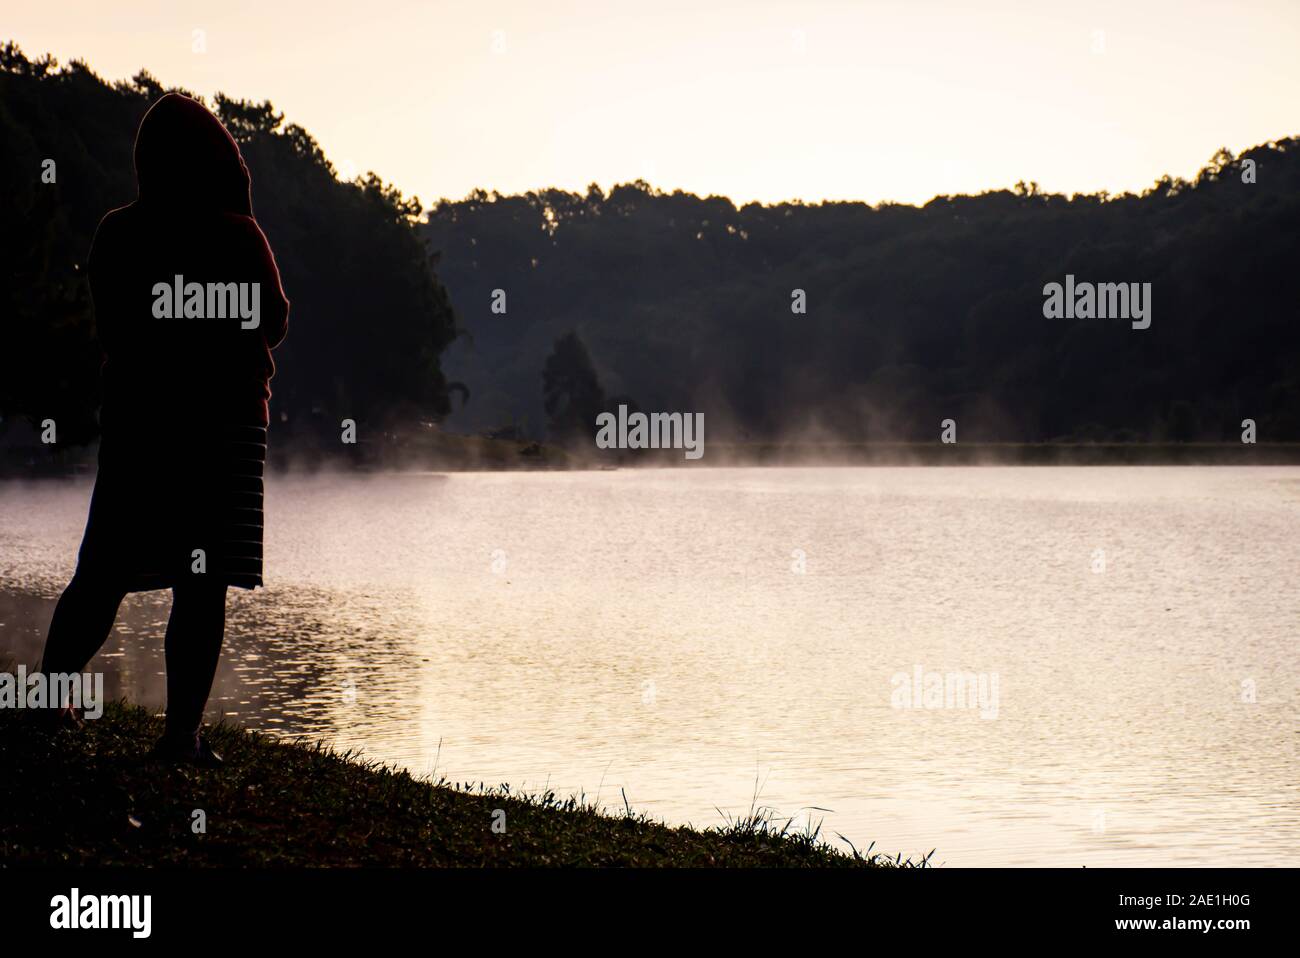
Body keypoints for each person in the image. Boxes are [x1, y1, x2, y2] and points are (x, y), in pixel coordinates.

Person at [37, 93, 289, 765]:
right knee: (201, 586)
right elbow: (275, 322)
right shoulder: (239, 235)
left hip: (140, 427)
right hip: (225, 433)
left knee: (102, 571)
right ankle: (181, 737)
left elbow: (115, 329)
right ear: (218, 162)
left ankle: (47, 701)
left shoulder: (119, 233)